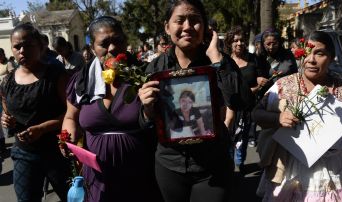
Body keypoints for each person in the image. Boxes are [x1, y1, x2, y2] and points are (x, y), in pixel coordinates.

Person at [138, 1, 254, 201]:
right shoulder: (155, 69)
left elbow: (243, 102)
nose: (187, 27)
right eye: (180, 20)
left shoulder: (220, 61)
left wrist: (216, 59)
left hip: (213, 166)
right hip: (169, 165)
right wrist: (147, 109)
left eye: (195, 20)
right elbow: (145, 122)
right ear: (167, 27)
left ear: (206, 27)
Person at [61, 16, 160, 202]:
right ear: (92, 48)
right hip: (98, 177)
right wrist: (68, 137)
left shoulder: (144, 75)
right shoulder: (82, 80)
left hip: (139, 172)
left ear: (126, 41)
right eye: (104, 43)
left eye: (118, 40)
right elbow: (70, 117)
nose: (112, 48)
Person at [252, 30, 342, 201]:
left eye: (320, 53)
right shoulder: (283, 85)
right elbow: (256, 114)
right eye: (307, 53)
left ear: (331, 58)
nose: (311, 60)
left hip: (330, 173)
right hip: (290, 172)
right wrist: (277, 119)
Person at [0, 22, 69, 202]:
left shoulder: (56, 75)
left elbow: (72, 114)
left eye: (28, 45)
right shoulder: (7, 81)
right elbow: (7, 110)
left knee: (73, 198)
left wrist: (43, 128)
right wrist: (6, 120)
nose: (22, 50)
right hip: (24, 154)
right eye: (17, 46)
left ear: (40, 46)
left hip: (58, 153)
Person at [224, 26, 259, 172]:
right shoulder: (224, 61)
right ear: (229, 43)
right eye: (235, 40)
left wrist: (252, 90)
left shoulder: (253, 60)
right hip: (228, 108)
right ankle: (228, 165)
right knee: (228, 136)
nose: (239, 43)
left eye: (242, 40)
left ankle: (240, 163)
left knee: (243, 138)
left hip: (247, 107)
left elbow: (261, 82)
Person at [256, 28, 298, 100]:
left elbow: (296, 74)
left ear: (279, 42)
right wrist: (257, 79)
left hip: (287, 95)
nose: (271, 47)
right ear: (263, 44)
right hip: (267, 96)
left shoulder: (288, 55)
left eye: (274, 43)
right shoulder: (259, 58)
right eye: (268, 44)